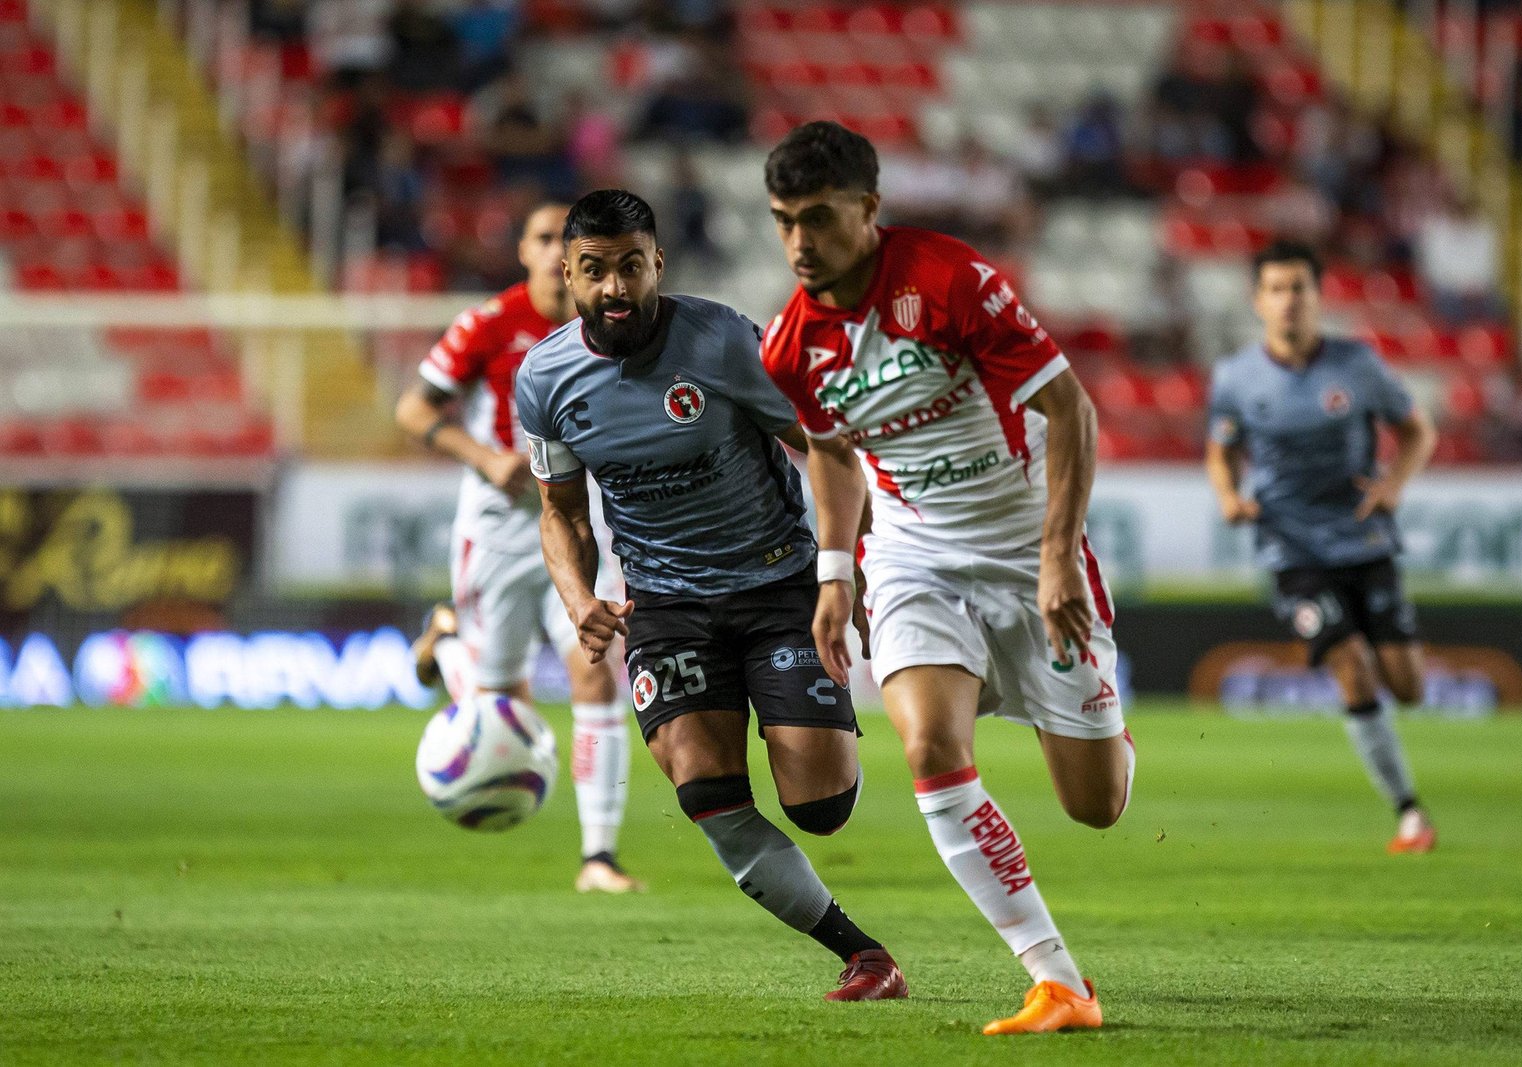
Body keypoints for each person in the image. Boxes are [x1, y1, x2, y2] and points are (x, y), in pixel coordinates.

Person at [759, 121, 1135, 1035]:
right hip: (914, 557)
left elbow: (1068, 408)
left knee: (1097, 806)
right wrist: (836, 571)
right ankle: (1057, 982)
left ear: (869, 210)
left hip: (1023, 546)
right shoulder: (790, 345)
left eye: (818, 217)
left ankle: (1103, 722)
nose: (801, 242)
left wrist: (1056, 557)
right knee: (928, 743)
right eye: (782, 222)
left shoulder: (949, 280)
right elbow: (830, 449)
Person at [516, 188, 906, 1002]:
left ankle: (815, 730)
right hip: (664, 606)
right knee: (705, 787)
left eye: (631, 266)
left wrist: (849, 562)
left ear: (658, 262)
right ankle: (864, 955)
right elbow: (559, 511)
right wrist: (577, 594)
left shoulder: (725, 341)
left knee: (821, 807)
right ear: (568, 273)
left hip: (776, 585)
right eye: (595, 271)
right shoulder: (545, 378)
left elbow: (825, 449)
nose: (615, 288)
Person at [395, 202, 642, 895]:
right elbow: (412, 409)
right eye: (538, 237)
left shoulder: (616, 326)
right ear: (530, 254)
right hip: (500, 528)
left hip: (582, 519)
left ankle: (600, 855)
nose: (551, 252)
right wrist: (482, 456)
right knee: (499, 703)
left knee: (599, 667)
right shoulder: (488, 324)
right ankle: (446, 641)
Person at [1205, 238, 1439, 854]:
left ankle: (1396, 766)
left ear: (1318, 294)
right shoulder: (1235, 378)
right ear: (1258, 301)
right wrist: (1229, 497)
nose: (1288, 301)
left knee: (1409, 686)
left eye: (1298, 288)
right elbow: (1220, 447)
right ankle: (1410, 814)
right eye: (1276, 289)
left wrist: (1393, 485)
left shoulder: (1358, 365)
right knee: (1352, 668)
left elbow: (1416, 429)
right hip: (1292, 549)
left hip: (1364, 538)